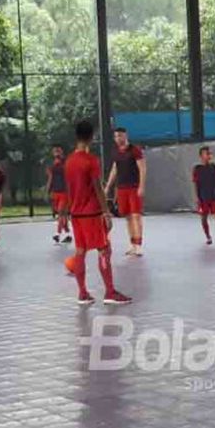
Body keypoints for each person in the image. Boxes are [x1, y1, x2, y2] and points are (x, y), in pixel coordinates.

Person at [65, 120, 132, 305]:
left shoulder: (69, 161)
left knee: (80, 251)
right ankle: (110, 292)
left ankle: (82, 293)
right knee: (104, 250)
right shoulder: (90, 160)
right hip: (91, 214)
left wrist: (68, 212)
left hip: (76, 214)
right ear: (91, 137)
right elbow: (98, 188)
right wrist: (106, 212)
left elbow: (69, 189)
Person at [105, 127, 146, 256]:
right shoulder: (116, 152)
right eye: (116, 136)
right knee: (128, 217)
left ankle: (139, 245)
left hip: (134, 187)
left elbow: (142, 169)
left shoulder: (135, 150)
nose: (118, 138)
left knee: (136, 216)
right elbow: (115, 169)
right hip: (121, 188)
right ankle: (133, 245)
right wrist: (108, 186)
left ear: (126, 136)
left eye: (120, 136)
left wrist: (141, 186)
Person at [192, 146, 215, 245]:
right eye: (206, 153)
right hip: (203, 198)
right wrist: (197, 198)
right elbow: (196, 184)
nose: (208, 155)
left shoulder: (214, 167)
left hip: (214, 197)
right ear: (201, 156)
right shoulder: (197, 169)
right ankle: (208, 237)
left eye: (209, 153)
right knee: (203, 218)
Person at [46, 144, 72, 244]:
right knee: (62, 215)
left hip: (65, 192)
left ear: (62, 152)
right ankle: (68, 235)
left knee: (61, 212)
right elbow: (50, 177)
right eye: (55, 151)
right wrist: (48, 190)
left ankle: (57, 234)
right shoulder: (51, 164)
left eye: (58, 151)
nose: (57, 152)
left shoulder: (67, 162)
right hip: (55, 192)